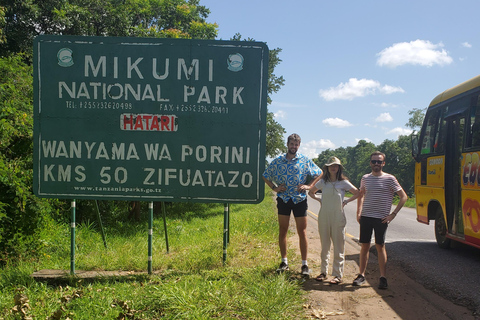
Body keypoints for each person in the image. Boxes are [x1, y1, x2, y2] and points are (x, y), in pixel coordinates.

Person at [262, 133, 322, 277]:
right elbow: (265, 175)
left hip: (299, 200)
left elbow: (319, 173)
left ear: (299, 146)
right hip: (283, 199)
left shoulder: (304, 160)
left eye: (296, 144)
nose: (294, 147)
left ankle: (304, 264)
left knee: (302, 231)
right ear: (287, 144)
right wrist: (274, 188)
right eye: (292, 144)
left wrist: (309, 186)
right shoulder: (278, 161)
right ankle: (284, 262)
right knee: (283, 230)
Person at [352, 151, 407, 289]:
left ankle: (383, 277)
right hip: (366, 216)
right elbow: (361, 194)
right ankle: (361, 275)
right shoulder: (365, 178)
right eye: (374, 161)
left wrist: (392, 214)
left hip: (381, 219)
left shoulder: (390, 179)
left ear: (383, 163)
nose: (376, 164)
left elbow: (403, 196)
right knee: (364, 246)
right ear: (370, 163)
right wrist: (359, 212)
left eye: (379, 161)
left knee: (380, 246)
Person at [308, 156, 359, 284]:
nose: (333, 168)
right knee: (325, 245)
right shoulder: (322, 182)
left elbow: (358, 193)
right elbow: (311, 192)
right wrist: (320, 200)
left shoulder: (344, 182)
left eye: (335, 166)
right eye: (331, 166)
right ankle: (323, 272)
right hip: (324, 215)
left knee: (339, 246)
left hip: (338, 216)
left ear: (339, 168)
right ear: (327, 168)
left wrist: (346, 201)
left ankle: (337, 275)